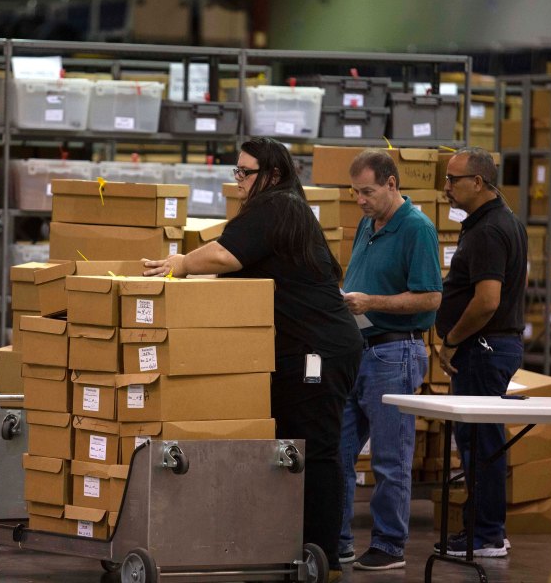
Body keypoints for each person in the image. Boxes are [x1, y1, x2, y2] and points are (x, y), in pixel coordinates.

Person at [144, 137, 363, 578]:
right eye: (236, 171)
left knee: (315, 448)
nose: (239, 180)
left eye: (246, 172)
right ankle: (291, 546)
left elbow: (226, 254)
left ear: (273, 174)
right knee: (287, 445)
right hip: (296, 346)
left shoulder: (278, 205)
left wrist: (180, 263)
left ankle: (324, 556)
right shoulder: (281, 208)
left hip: (316, 347)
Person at [338, 150, 443, 571]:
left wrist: (371, 301)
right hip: (357, 350)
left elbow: (431, 297)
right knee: (338, 450)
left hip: (394, 352)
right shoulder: (368, 224)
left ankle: (389, 544)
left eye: (367, 192)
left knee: (390, 456)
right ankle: (337, 538)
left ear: (391, 184)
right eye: (355, 193)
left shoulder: (417, 228)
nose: (360, 200)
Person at [435, 147, 527, 557]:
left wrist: (452, 339)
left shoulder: (490, 230)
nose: (446, 187)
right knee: (479, 440)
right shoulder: (497, 221)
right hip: (492, 346)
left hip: (483, 348)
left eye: (454, 180)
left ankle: (486, 534)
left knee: (479, 441)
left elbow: (487, 300)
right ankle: (486, 529)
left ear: (478, 182)